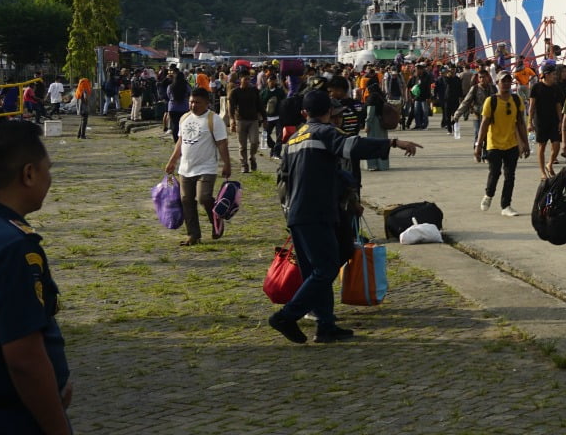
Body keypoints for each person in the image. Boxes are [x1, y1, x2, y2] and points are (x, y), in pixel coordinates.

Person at [268, 90, 419, 344]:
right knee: (326, 269)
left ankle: (326, 326)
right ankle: (286, 316)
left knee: (315, 271)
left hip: (295, 212)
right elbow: (353, 146)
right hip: (316, 211)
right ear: (328, 112)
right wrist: (392, 143)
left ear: (305, 113)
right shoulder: (324, 132)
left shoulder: (294, 138)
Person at [0, 120, 80, 435]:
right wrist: (57, 427)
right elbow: (23, 354)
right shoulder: (12, 247)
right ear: (28, 173)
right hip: (15, 433)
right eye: (47, 169)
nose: (48, 178)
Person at [163, 87, 232, 245]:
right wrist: (172, 160)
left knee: (204, 197)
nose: (193, 105)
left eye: (197, 102)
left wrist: (226, 164)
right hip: (186, 168)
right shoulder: (184, 118)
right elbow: (180, 142)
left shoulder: (214, 120)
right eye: (191, 102)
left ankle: (216, 219)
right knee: (186, 200)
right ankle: (193, 234)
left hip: (206, 167)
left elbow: (222, 144)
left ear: (207, 103)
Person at [475, 72, 529, 216]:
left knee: (510, 175)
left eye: (508, 81)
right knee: (495, 172)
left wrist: (525, 143)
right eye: (503, 81)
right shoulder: (491, 101)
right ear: (497, 83)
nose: (506, 84)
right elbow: (484, 124)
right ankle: (489, 194)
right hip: (494, 144)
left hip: (512, 144)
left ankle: (506, 206)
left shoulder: (516, 100)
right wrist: (478, 145)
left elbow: (521, 123)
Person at [530, 64, 566, 180]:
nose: (555, 76)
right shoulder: (536, 87)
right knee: (542, 146)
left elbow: (558, 105)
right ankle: (542, 172)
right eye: (553, 74)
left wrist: (561, 120)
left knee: (556, 145)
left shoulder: (556, 88)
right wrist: (529, 122)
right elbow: (532, 106)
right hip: (540, 121)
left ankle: (549, 163)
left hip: (554, 120)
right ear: (546, 75)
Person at [226, 73, 263, 172]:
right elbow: (231, 107)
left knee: (254, 141)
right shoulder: (235, 92)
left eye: (248, 79)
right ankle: (244, 164)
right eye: (245, 79)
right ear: (240, 79)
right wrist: (232, 119)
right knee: (242, 146)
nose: (247, 81)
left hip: (253, 120)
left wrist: (264, 117)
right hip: (241, 120)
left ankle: (252, 157)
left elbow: (259, 104)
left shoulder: (254, 90)